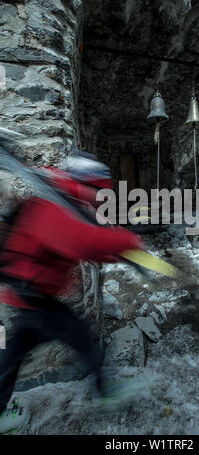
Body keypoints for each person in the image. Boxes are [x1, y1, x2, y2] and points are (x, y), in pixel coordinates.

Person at [0, 155, 144, 433]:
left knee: (15, 355)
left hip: (31, 295)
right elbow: (81, 240)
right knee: (79, 336)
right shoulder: (54, 205)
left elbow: (86, 242)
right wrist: (129, 241)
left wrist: (122, 255)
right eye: (101, 192)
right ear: (91, 186)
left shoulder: (63, 200)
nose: (102, 199)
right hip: (34, 297)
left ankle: (104, 389)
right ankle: (107, 392)